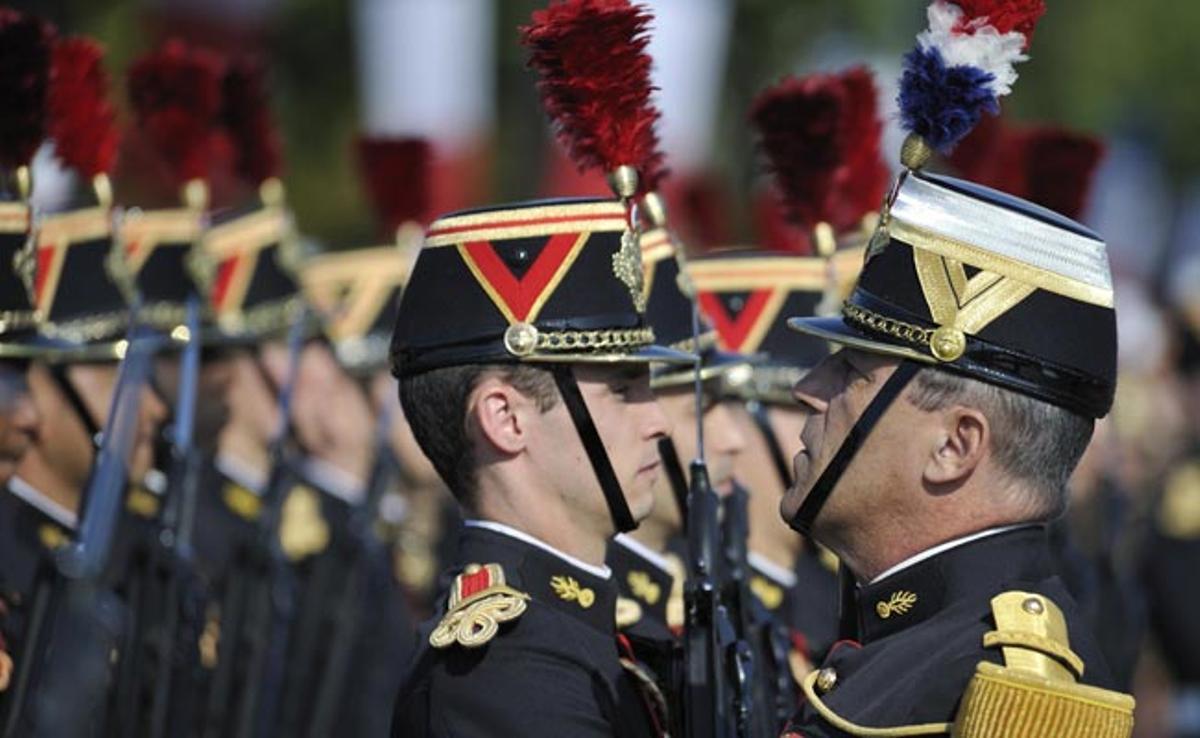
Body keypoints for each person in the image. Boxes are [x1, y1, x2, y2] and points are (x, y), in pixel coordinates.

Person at [389, 195, 693, 737]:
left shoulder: (570, 638)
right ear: (505, 419)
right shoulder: (503, 675)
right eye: (622, 390)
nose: (659, 422)